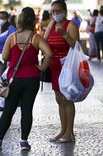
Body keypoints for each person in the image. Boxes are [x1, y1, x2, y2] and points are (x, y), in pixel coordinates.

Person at [0, 7, 52, 151]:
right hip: (32, 79)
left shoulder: (13, 37)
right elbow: (49, 53)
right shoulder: (36, 38)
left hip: (14, 79)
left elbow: (4, 57)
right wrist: (42, 68)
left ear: (20, 22)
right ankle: (24, 141)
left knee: (8, 110)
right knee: (27, 110)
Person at [44, 0, 80, 143]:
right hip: (54, 67)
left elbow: (76, 46)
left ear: (65, 11)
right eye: (53, 11)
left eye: (58, 11)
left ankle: (69, 133)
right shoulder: (52, 24)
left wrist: (65, 35)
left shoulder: (70, 25)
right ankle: (63, 130)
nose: (55, 14)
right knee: (59, 100)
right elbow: (43, 40)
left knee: (67, 99)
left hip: (67, 67)